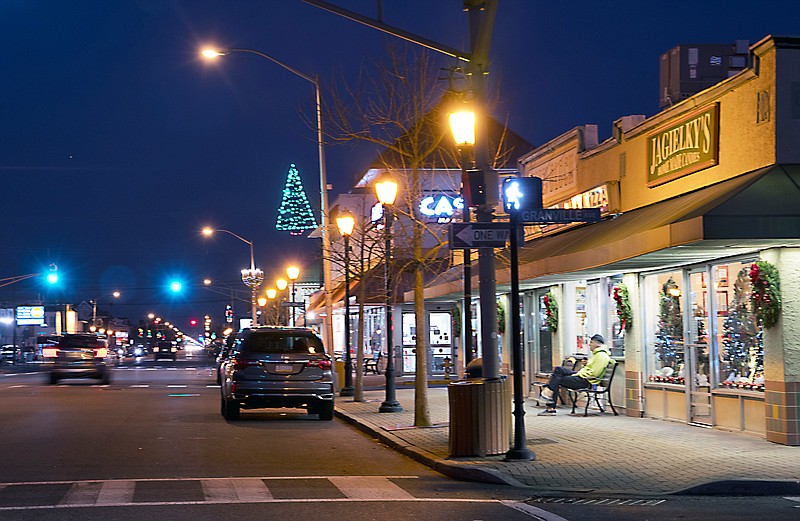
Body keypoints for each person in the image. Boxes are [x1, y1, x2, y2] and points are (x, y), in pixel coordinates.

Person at [538, 334, 611, 416]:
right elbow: (591, 369)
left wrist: (578, 374)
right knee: (558, 370)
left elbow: (595, 373)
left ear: (597, 344)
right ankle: (548, 395)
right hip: (581, 377)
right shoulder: (597, 354)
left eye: (591, 342)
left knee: (556, 379)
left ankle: (549, 402)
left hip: (584, 380)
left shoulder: (601, 355)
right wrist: (584, 366)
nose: (589, 344)